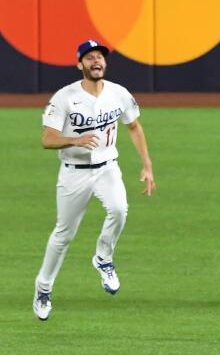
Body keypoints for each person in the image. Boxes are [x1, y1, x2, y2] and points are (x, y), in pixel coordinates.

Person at [33, 39, 155, 321]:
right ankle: (43, 288)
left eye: (99, 56)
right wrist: (75, 139)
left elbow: (134, 127)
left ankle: (103, 258)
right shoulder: (64, 97)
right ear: (80, 65)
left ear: (105, 63)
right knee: (63, 235)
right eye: (89, 58)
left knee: (119, 209)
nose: (96, 61)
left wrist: (147, 165)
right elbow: (47, 139)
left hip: (107, 168)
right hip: (73, 172)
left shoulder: (118, 93)